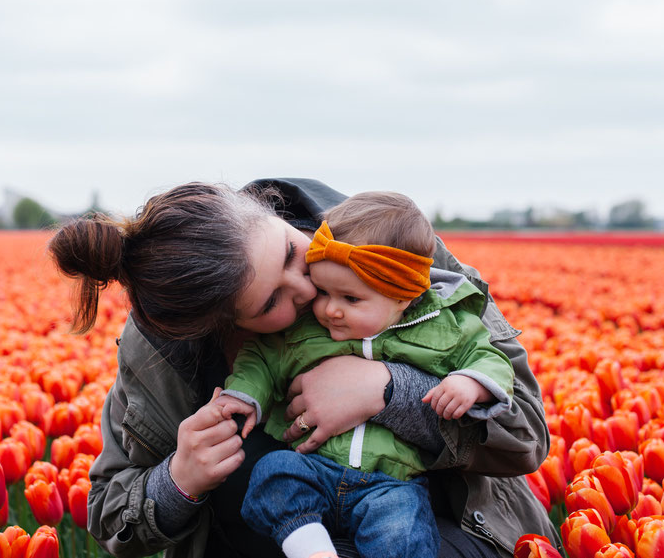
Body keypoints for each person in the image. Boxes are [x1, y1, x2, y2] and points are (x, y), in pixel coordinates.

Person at [48, 178, 559, 558]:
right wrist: (180, 478)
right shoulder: (159, 351)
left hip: (435, 532)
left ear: (270, 212)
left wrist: (388, 390)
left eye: (294, 250)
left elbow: (526, 434)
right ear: (222, 325)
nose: (311, 288)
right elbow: (109, 517)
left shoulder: (385, 247)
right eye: (274, 299)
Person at [215, 191, 516, 558]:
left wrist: (471, 382)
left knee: (401, 529)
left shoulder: (444, 328)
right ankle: (311, 549)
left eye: (350, 299)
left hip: (390, 482)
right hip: (316, 466)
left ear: (403, 297)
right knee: (275, 472)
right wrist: (243, 395)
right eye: (324, 291)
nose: (328, 308)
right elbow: (260, 359)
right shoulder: (303, 332)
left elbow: (489, 357)